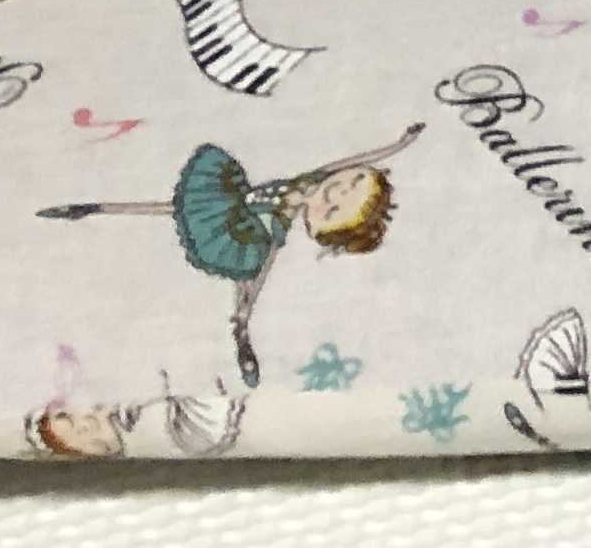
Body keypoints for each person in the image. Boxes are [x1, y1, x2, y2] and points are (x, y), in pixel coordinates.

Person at [37, 126, 416, 385]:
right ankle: (89, 208)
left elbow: (263, 268)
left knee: (243, 271)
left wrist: (244, 318)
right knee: (173, 208)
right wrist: (401, 143)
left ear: (320, 230)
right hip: (231, 198)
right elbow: (363, 156)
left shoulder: (283, 220)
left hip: (245, 230)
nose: (337, 192)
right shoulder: (315, 177)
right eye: (353, 181)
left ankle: (241, 334)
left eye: (334, 210)